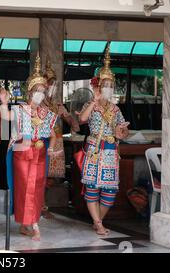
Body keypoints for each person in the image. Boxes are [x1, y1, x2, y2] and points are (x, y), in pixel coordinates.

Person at [0, 53, 58, 241]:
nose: (40, 93)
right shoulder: (20, 109)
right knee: (25, 187)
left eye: (43, 90)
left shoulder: (46, 112)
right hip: (23, 153)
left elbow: (53, 135)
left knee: (37, 188)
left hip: (40, 153)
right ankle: (32, 224)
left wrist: (51, 148)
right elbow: (5, 117)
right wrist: (3, 103)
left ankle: (30, 223)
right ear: (30, 91)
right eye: (37, 90)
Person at [78, 44, 130, 235]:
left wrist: (121, 132)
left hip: (110, 151)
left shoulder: (116, 110)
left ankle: (97, 220)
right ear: (98, 86)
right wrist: (94, 101)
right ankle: (98, 223)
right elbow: (82, 119)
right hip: (94, 150)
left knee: (109, 191)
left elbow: (123, 133)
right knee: (92, 188)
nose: (107, 89)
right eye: (104, 85)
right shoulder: (91, 104)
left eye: (110, 86)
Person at [41, 58, 80, 219]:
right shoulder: (39, 104)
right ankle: (41, 206)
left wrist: (73, 120)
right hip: (44, 143)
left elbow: (73, 123)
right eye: (50, 83)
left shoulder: (57, 104)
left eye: (54, 84)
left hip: (57, 144)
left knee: (50, 178)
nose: (52, 87)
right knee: (40, 175)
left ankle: (44, 205)